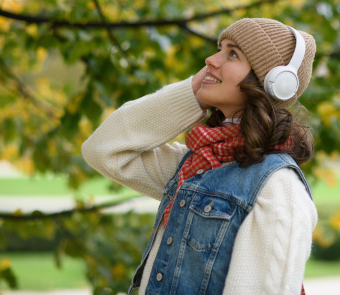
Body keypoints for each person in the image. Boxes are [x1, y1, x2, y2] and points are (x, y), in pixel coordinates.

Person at [81, 18, 318, 295]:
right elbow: (103, 148)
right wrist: (191, 94)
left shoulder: (278, 188)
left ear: (274, 83)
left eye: (232, 54)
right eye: (219, 48)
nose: (210, 59)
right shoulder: (196, 165)